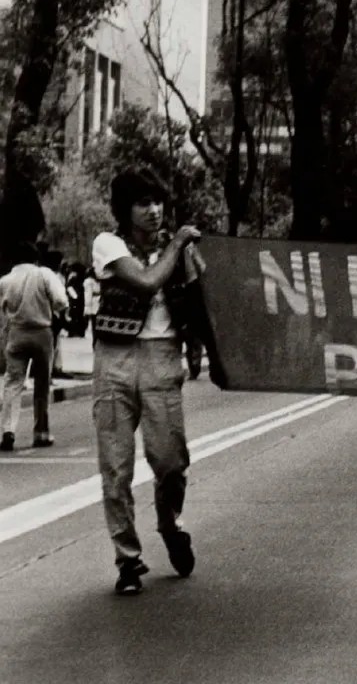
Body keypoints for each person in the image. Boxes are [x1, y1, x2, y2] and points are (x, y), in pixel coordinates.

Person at [91, 170, 202, 595]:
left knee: (171, 462)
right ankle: (128, 560)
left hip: (162, 357)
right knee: (116, 468)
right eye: (143, 203)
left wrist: (198, 347)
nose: (154, 211)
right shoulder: (109, 244)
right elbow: (145, 281)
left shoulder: (179, 249)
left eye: (158, 202)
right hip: (115, 358)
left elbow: (197, 299)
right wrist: (179, 244)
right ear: (125, 210)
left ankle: (169, 524)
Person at [0, 241, 68, 452]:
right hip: (42, 333)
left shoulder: (5, 281)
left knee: (13, 383)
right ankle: (41, 432)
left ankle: (7, 430)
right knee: (41, 384)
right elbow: (61, 301)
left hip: (16, 333)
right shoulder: (44, 274)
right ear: (36, 259)